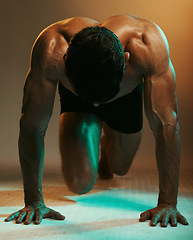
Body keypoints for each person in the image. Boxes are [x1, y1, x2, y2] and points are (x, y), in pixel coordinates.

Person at [5, 15, 188, 227]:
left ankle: (106, 150)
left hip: (124, 100)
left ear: (126, 59)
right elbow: (32, 125)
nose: (97, 104)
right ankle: (90, 131)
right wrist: (34, 200)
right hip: (79, 102)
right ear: (65, 60)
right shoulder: (52, 47)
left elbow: (167, 125)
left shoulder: (147, 44)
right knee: (79, 182)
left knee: (120, 167)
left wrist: (167, 202)